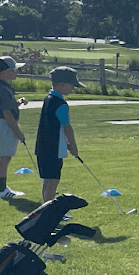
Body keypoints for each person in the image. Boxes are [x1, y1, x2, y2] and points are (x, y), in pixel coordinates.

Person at [36, 67, 84, 204]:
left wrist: (66, 142)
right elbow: (67, 127)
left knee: (47, 180)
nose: (72, 88)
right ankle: (49, 211)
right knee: (53, 181)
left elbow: (55, 125)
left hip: (42, 147)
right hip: (53, 148)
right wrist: (73, 146)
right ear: (62, 84)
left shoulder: (48, 99)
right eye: (71, 85)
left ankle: (45, 207)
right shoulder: (61, 104)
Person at [0, 56, 26, 200]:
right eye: (13, 70)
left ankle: (3, 189)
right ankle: (2, 190)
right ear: (5, 72)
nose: (15, 72)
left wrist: (18, 103)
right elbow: (7, 114)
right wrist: (17, 132)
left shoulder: (4, 87)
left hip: (5, 125)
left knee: (6, 158)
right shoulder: (2, 89)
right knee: (5, 159)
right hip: (6, 126)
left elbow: (8, 108)